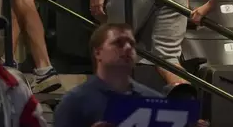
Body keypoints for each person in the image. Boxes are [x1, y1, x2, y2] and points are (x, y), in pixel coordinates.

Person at [53, 23, 208, 127]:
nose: (127, 47)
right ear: (97, 52)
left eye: (132, 44)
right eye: (118, 43)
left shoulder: (153, 100)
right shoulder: (74, 102)